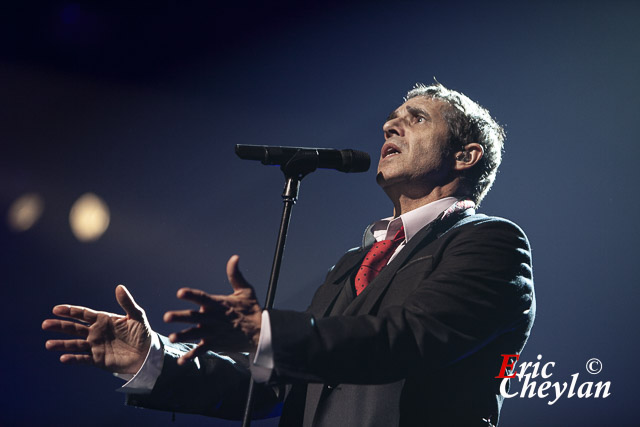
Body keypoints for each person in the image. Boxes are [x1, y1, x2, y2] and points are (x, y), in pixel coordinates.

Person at [43, 82, 535, 426]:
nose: (390, 125)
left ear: (465, 155)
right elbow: (275, 387)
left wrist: (269, 330)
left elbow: (410, 338)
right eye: (391, 119)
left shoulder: (490, 242)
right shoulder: (351, 264)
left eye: (415, 119)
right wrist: (154, 359)